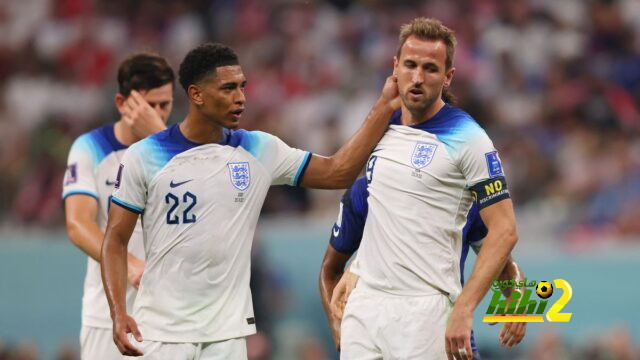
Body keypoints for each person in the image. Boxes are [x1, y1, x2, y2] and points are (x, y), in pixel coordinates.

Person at [100, 42, 400, 359]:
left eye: (242, 86)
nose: (240, 97)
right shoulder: (143, 156)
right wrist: (118, 311)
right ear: (196, 94)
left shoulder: (260, 149)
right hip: (160, 333)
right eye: (228, 88)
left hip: (227, 338)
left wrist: (384, 105)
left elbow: (338, 171)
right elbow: (115, 240)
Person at [333, 17, 519, 360]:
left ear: (448, 76)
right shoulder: (380, 125)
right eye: (410, 65)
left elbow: (503, 231)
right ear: (395, 67)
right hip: (365, 304)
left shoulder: (470, 138)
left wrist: (467, 307)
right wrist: (357, 267)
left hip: (425, 310)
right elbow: (390, 212)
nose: (418, 77)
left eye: (430, 69)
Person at [319, 177, 527, 358]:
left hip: (441, 324)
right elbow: (330, 269)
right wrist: (337, 327)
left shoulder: (463, 197)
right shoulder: (365, 192)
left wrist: (517, 297)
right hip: (373, 325)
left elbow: (505, 263)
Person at [62, 53, 175, 360]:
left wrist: (159, 141)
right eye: (150, 105)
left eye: (165, 105)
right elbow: (78, 225)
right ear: (122, 103)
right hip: (107, 315)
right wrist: (132, 264)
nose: (159, 114)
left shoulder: (178, 155)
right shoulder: (90, 148)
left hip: (171, 318)